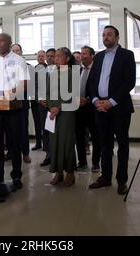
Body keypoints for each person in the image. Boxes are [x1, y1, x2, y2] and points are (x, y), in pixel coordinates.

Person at [87, 25, 136, 195]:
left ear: (117, 37)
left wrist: (112, 101)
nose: (105, 37)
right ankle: (105, 177)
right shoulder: (99, 56)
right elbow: (92, 81)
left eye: (109, 34)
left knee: (122, 145)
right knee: (104, 145)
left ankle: (121, 180)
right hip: (100, 108)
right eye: (103, 35)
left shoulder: (127, 55)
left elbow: (129, 82)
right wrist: (95, 100)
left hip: (119, 108)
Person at [0, 33, 30, 191]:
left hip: (13, 109)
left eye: (1, 41)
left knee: (14, 144)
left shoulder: (19, 61)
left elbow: (24, 85)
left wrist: (9, 94)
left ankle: (16, 175)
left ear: (9, 43)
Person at [46, 47, 77, 186]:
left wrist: (58, 107)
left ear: (68, 58)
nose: (56, 58)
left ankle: (70, 173)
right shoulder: (52, 73)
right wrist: (51, 106)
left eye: (59, 56)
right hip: (53, 112)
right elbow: (47, 93)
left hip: (67, 112)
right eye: (55, 56)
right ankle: (58, 172)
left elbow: (73, 95)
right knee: (54, 142)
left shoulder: (72, 74)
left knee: (66, 142)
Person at [75, 46, 101, 172]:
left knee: (96, 137)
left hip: (93, 108)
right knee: (79, 137)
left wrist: (89, 99)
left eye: (85, 54)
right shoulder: (78, 71)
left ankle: (96, 163)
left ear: (92, 56)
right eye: (81, 54)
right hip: (79, 109)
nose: (82, 56)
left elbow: (100, 89)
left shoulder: (98, 71)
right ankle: (82, 161)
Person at [39, 48, 56, 167]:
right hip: (42, 106)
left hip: (55, 106)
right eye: (48, 56)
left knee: (54, 131)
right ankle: (48, 155)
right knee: (45, 131)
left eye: (52, 56)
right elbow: (35, 87)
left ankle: (56, 155)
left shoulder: (60, 70)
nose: (49, 58)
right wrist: (39, 99)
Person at [30, 50, 46, 151]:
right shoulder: (33, 69)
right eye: (39, 56)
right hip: (34, 100)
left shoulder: (49, 68)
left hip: (43, 101)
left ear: (44, 57)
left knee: (44, 123)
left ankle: (46, 144)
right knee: (36, 122)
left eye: (42, 56)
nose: (40, 58)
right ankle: (38, 143)